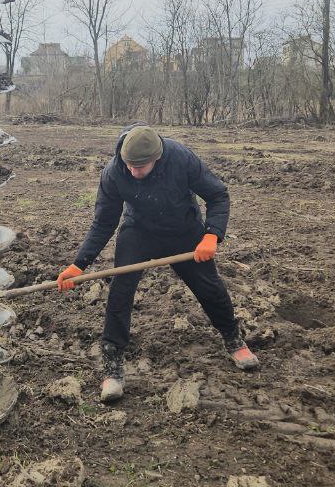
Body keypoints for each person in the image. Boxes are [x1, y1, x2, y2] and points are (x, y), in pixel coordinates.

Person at [57, 125, 259, 402]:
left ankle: (233, 339)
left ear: (158, 158)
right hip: (138, 231)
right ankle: (113, 365)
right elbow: (103, 222)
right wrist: (79, 265)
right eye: (129, 165)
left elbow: (217, 195)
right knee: (121, 291)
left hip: (183, 230)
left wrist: (211, 235)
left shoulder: (180, 158)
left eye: (140, 167)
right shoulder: (114, 173)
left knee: (209, 287)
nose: (133, 172)